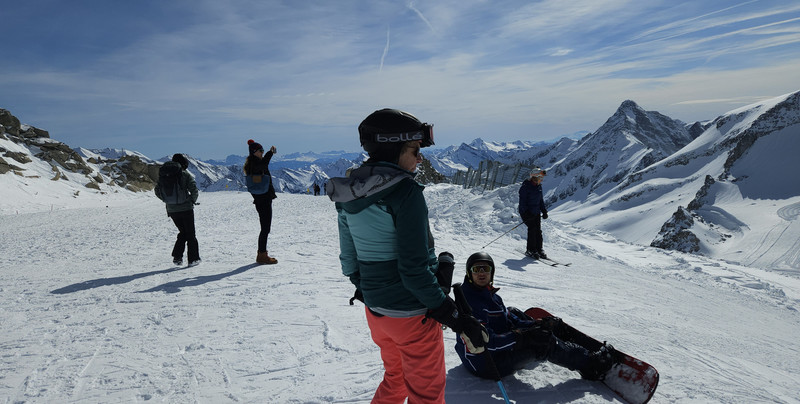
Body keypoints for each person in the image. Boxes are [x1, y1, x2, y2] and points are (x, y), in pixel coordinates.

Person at [327, 108, 488, 404]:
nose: (420, 158)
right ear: (393, 148)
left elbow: (349, 261)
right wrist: (451, 313)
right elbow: (413, 270)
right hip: (412, 317)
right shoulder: (406, 192)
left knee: (396, 380)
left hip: (376, 312)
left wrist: (373, 289)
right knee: (426, 395)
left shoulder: (348, 193)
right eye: (415, 150)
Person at [455, 252, 622, 381]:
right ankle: (591, 366)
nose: (482, 273)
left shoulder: (491, 295)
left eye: (486, 268)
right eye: (477, 269)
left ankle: (556, 337)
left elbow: (508, 319)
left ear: (492, 273)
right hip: (487, 364)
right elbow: (488, 343)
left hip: (496, 352)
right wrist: (524, 337)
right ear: (470, 273)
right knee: (543, 344)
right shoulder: (469, 304)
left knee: (514, 312)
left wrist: (535, 325)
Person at [154, 153, 201, 266]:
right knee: (190, 234)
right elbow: (194, 190)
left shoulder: (164, 175)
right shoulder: (185, 175)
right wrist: (191, 200)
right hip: (186, 209)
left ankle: (177, 257)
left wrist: (167, 200)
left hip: (172, 210)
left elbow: (157, 190)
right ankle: (193, 259)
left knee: (183, 232)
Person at [243, 139, 278, 265]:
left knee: (265, 227)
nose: (262, 153)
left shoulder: (252, 163)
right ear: (254, 152)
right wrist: (270, 153)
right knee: (265, 228)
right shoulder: (255, 164)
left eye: (263, 150)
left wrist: (268, 153)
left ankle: (262, 253)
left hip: (260, 198)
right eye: (260, 151)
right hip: (263, 199)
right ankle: (262, 255)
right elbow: (264, 165)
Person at [518, 168, 549, 259]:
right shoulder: (525, 187)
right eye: (540, 178)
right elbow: (522, 202)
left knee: (538, 231)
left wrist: (544, 211)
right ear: (534, 177)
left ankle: (539, 249)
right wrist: (526, 213)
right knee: (532, 229)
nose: (541, 180)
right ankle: (530, 250)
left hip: (535, 212)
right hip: (526, 212)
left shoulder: (539, 186)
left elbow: (540, 200)